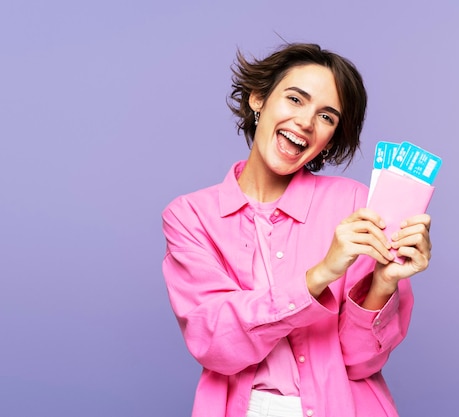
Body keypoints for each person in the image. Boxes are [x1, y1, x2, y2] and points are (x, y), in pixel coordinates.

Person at [161, 42, 432, 417]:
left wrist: (383, 284)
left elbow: (360, 362)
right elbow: (215, 343)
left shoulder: (355, 207)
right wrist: (320, 275)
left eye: (327, 117)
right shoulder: (190, 216)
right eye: (295, 99)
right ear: (259, 99)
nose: (306, 122)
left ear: (330, 138)